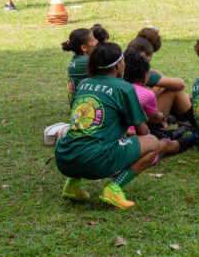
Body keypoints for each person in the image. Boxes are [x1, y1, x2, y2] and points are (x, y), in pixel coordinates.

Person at [54, 42, 159, 208]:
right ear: (118, 65)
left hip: (64, 158)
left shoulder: (83, 84)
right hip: (95, 162)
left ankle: (73, 184)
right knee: (152, 142)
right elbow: (142, 131)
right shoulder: (124, 88)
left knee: (84, 136)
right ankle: (114, 188)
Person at [123, 49, 195, 156]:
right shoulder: (146, 94)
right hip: (132, 140)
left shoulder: (118, 87)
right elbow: (152, 119)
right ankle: (198, 135)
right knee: (165, 144)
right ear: (146, 75)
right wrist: (163, 116)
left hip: (119, 135)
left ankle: (191, 130)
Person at [129, 28, 196, 129]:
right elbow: (180, 84)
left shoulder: (122, 65)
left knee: (158, 89)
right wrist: (162, 78)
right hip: (140, 124)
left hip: (128, 120)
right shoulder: (142, 71)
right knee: (175, 92)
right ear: (147, 56)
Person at [62, 28, 98, 107]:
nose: (97, 42)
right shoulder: (86, 62)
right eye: (93, 41)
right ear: (84, 48)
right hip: (84, 106)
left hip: (77, 103)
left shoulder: (77, 59)